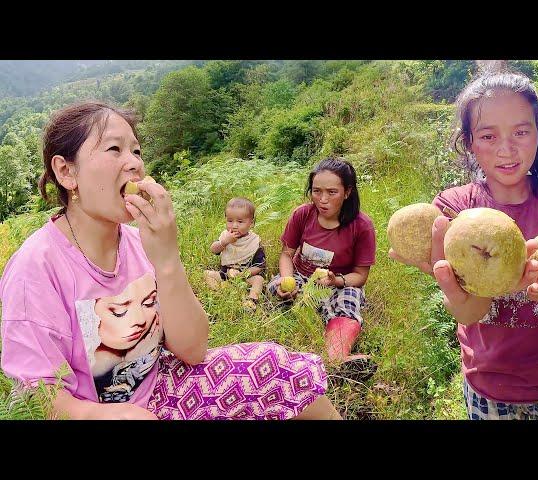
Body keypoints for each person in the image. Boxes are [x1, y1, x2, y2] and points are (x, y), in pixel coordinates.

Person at [0, 101, 341, 420]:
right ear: (66, 171)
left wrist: (166, 258)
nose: (134, 163)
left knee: (279, 367)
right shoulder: (37, 267)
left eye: (136, 150)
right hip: (97, 414)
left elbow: (193, 351)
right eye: (114, 149)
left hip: (163, 388)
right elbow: (36, 393)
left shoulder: (138, 242)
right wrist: (109, 414)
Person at [390, 63, 538, 420]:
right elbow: (468, 312)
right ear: (469, 143)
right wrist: (481, 278)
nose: (506, 149)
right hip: (489, 386)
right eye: (488, 136)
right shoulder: (453, 210)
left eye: (521, 132)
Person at [267, 157, 377, 379]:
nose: (322, 199)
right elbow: (287, 254)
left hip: (339, 282)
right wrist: (286, 280)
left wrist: (337, 281)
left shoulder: (361, 226)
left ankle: (335, 359)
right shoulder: (302, 215)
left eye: (332, 192)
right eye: (316, 191)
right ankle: (311, 308)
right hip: (300, 276)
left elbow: (360, 276)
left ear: (347, 192)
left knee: (347, 302)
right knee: (275, 288)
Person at [204, 197, 266, 310]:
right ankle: (220, 293)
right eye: (230, 221)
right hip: (226, 275)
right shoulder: (225, 237)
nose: (234, 225)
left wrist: (243, 274)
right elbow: (213, 249)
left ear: (251, 223)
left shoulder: (253, 242)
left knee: (258, 280)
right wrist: (224, 242)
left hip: (244, 277)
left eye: (240, 222)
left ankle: (251, 301)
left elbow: (259, 266)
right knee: (207, 274)